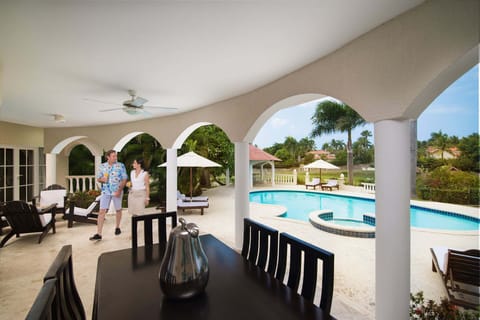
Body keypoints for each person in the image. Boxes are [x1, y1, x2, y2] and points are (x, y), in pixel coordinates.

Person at [89, 150, 128, 241]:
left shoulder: (120, 165)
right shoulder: (102, 166)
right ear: (108, 157)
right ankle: (99, 233)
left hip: (117, 191)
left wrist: (119, 190)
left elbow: (124, 179)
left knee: (118, 209)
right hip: (105, 191)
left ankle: (117, 227)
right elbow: (98, 179)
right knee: (102, 211)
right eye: (113, 156)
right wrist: (103, 179)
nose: (115, 158)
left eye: (116, 156)